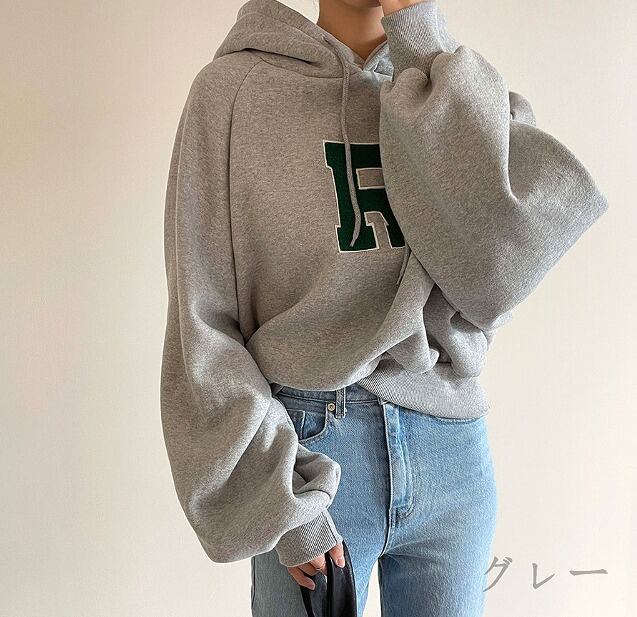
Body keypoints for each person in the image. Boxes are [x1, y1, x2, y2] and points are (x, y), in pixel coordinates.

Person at [160, 0, 609, 614]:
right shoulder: (234, 93)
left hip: (451, 449)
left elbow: (501, 273)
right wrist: (281, 500)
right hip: (313, 452)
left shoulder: (457, 89)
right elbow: (202, 322)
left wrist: (423, 46)